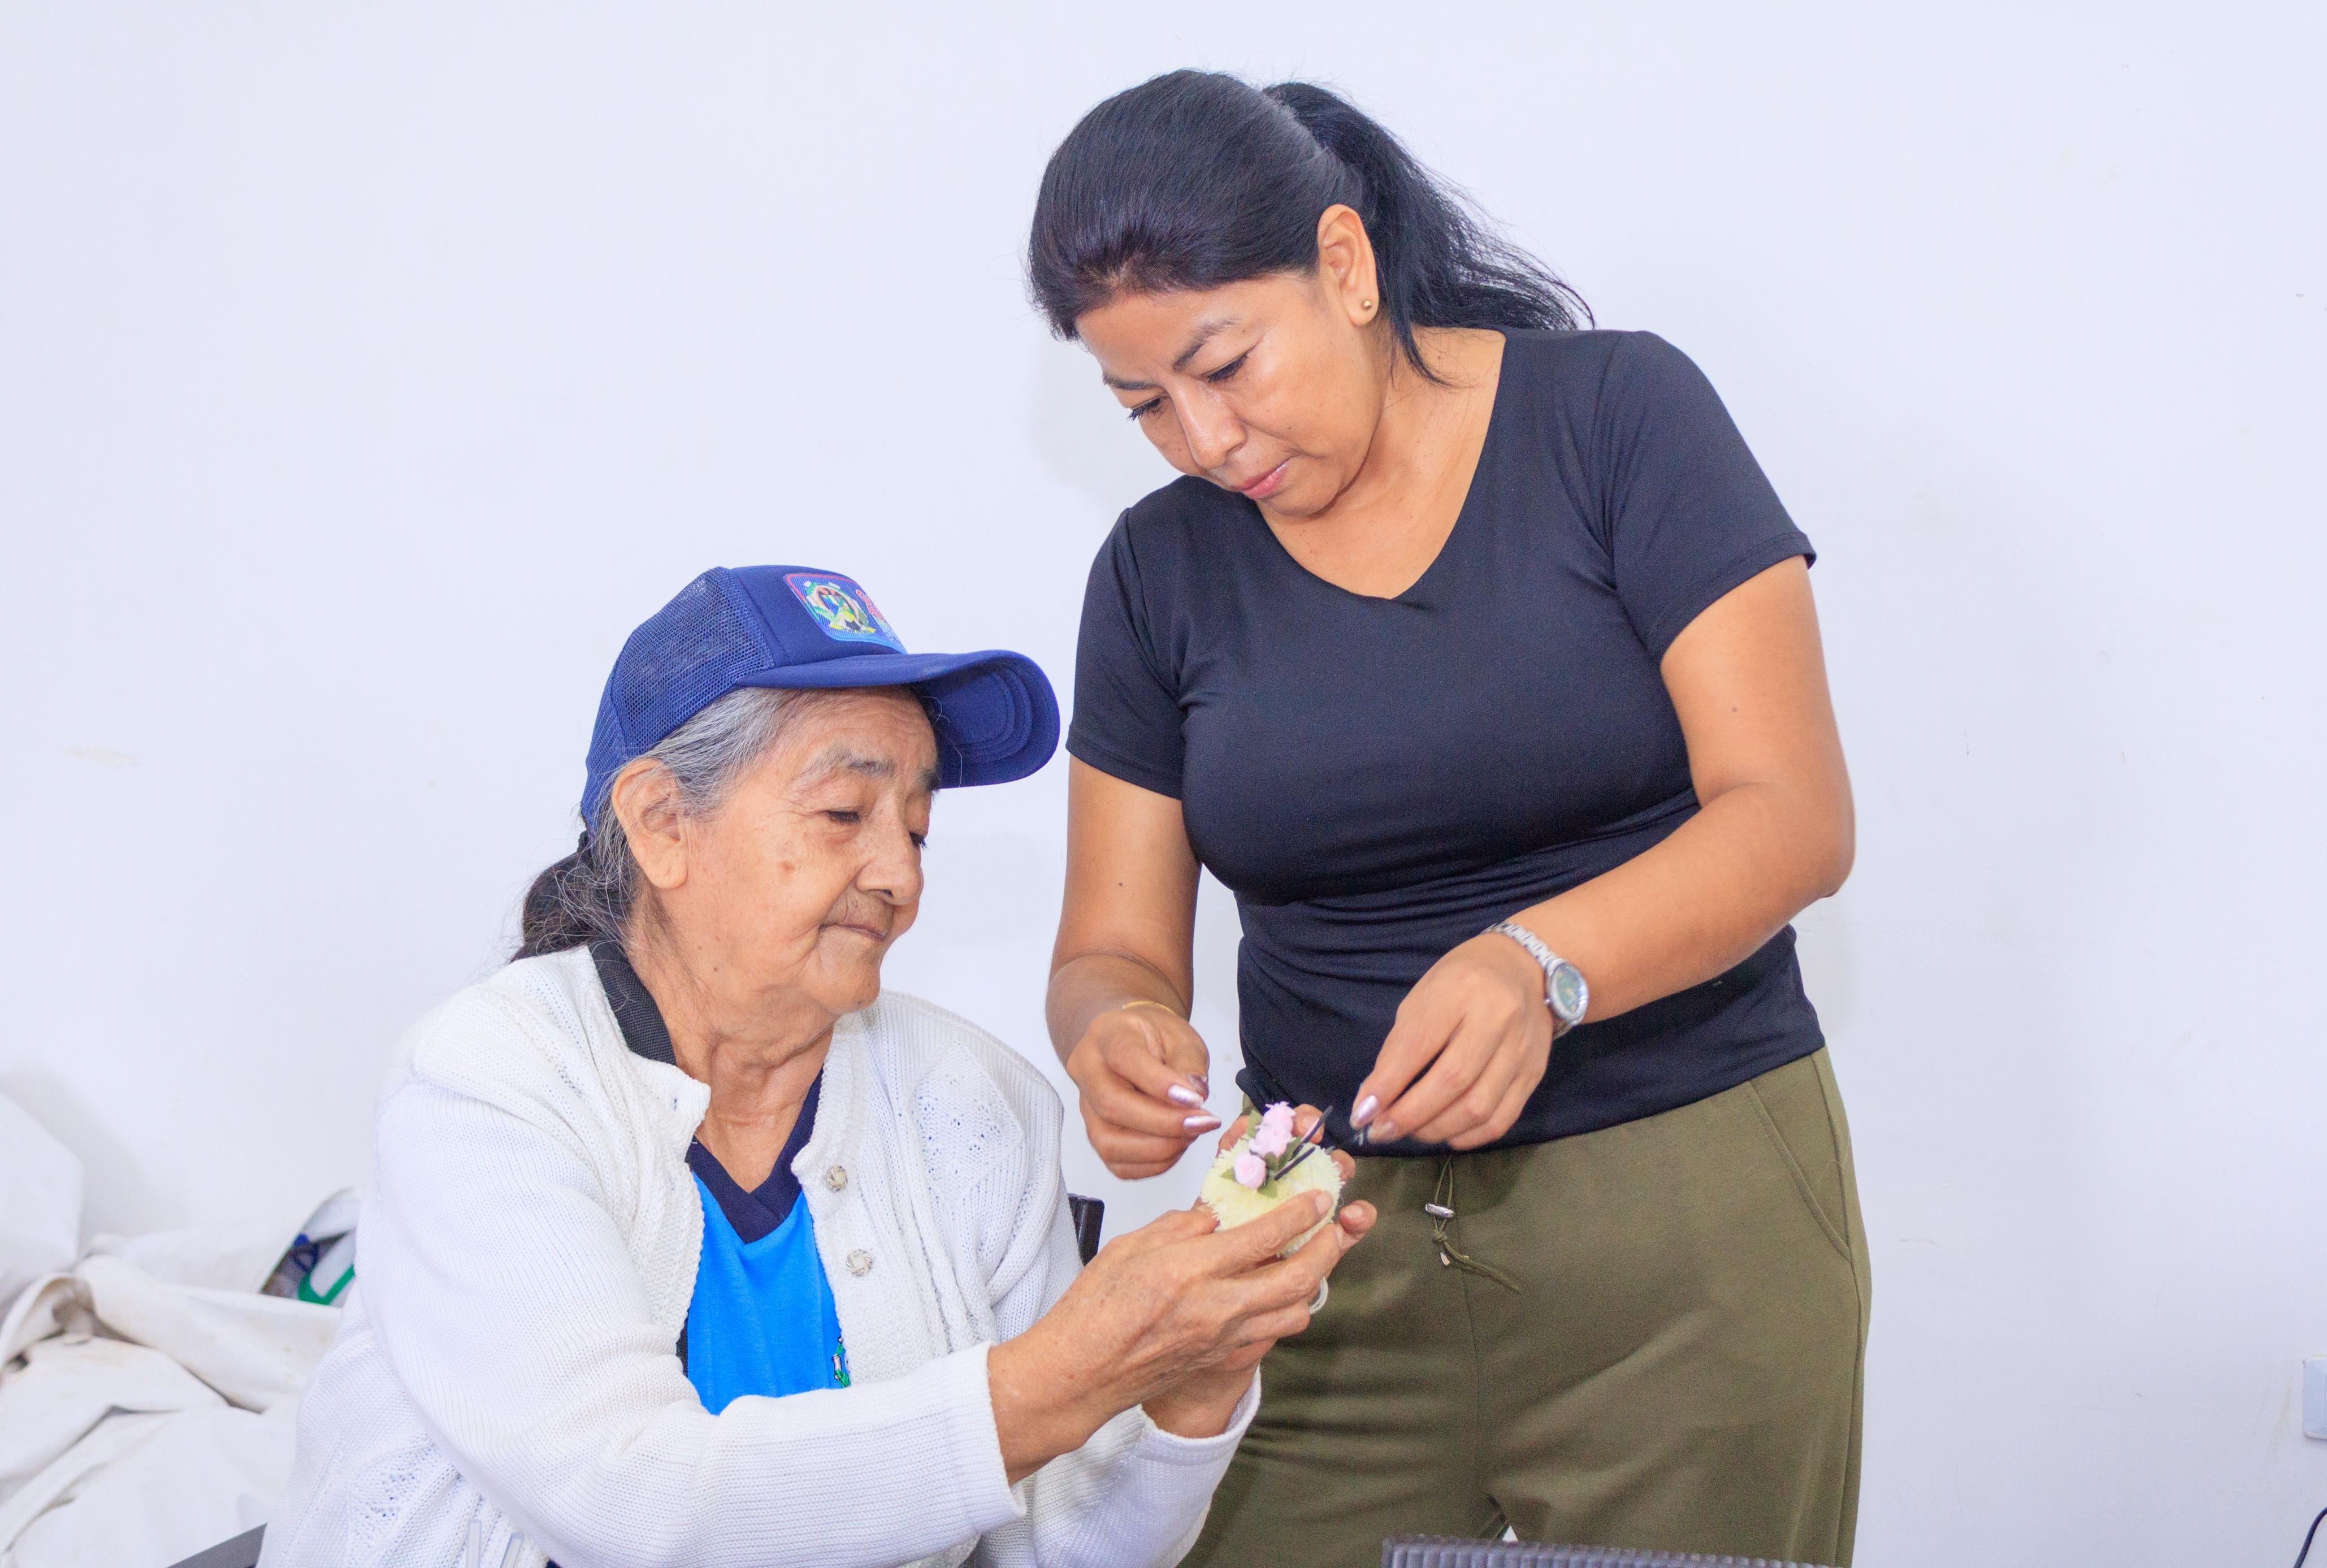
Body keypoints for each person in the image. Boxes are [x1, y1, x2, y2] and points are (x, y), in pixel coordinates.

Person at [1028, 71, 1869, 1567]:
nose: (1205, 437)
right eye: (1145, 404)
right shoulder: (1158, 575)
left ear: (1345, 265)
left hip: (1682, 1229)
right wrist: (1117, 1029)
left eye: (1226, 364)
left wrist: (1538, 962)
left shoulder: (1616, 417)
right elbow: (1111, 947)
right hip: (1315, 1239)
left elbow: (1792, 813)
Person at [263, 564, 1375, 1568]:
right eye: (844, 812)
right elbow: (624, 1495)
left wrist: (1185, 1387)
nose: (899, 873)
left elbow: (1049, 1550)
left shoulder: (974, 1102)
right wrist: (1069, 1370)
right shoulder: (492, 1077)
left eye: (918, 826)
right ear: (661, 822)